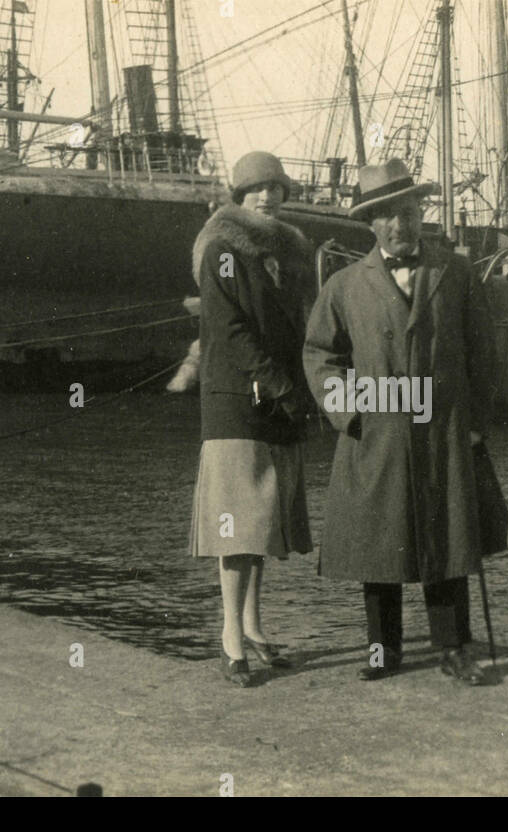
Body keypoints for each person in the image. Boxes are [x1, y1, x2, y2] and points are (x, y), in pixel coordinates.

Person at [303, 159, 495, 685]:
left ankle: (455, 648)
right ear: (371, 224)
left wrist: (475, 423)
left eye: (406, 212)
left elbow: (484, 353)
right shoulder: (345, 285)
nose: (398, 225)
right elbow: (319, 355)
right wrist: (350, 411)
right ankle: (382, 650)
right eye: (385, 216)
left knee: (448, 539)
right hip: (379, 431)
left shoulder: (455, 274)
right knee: (379, 544)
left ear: (420, 212)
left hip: (442, 430)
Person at [189, 151, 316, 687]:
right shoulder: (222, 249)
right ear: (238, 196)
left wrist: (296, 386)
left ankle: (255, 629)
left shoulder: (286, 252)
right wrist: (284, 385)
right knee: (237, 526)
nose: (267, 197)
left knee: (260, 523)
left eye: (275, 188)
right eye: (256, 189)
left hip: (276, 400)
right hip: (239, 401)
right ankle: (230, 638)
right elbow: (231, 329)